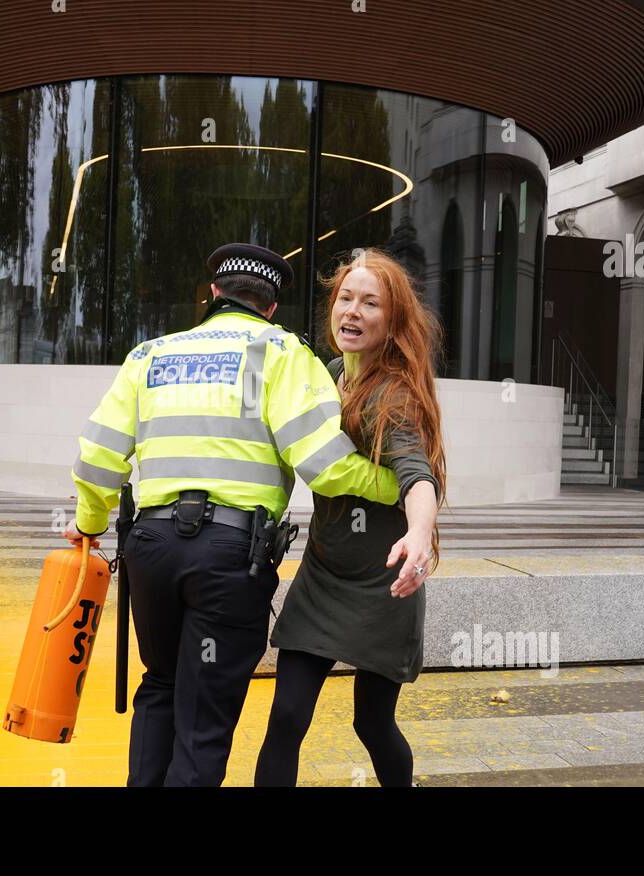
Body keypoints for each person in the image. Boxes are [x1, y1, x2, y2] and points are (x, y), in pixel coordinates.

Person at [62, 242, 433, 787]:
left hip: (151, 551)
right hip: (230, 556)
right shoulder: (281, 354)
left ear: (212, 294)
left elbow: (96, 459)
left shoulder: (150, 355)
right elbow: (323, 466)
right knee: (204, 713)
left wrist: (90, 524)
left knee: (160, 685)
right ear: (271, 307)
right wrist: (391, 488)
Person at [254, 247, 447, 788]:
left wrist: (418, 534)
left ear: (393, 322)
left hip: (383, 585)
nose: (353, 312)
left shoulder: (394, 393)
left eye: (371, 303)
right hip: (322, 575)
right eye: (345, 298)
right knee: (286, 716)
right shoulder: (330, 375)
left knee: (373, 722)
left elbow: (418, 476)